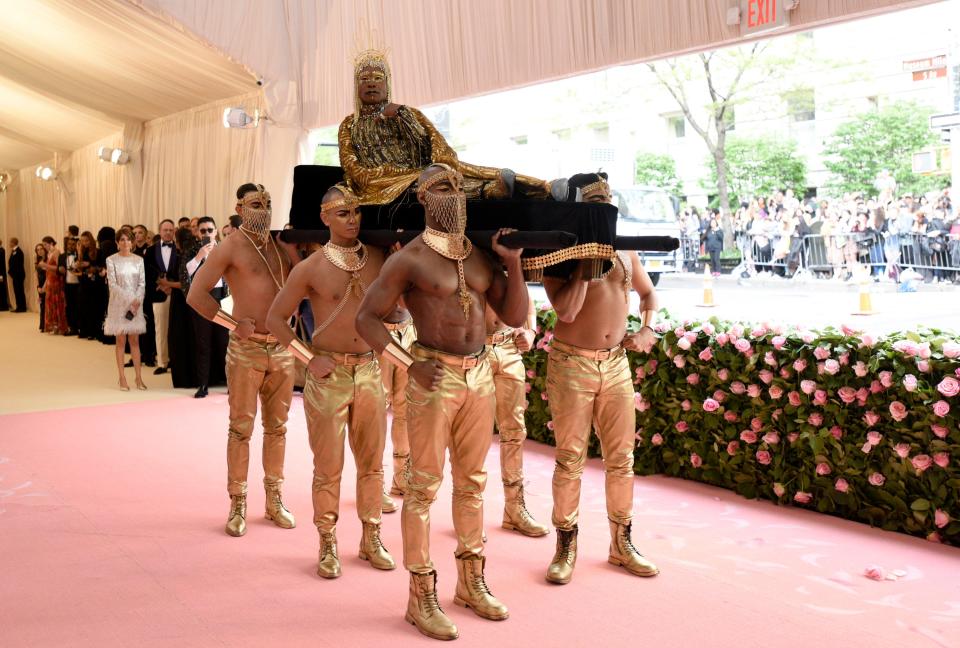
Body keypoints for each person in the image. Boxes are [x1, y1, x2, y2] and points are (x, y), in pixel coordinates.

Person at [356, 163, 529, 641]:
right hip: (432, 376)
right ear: (422, 199)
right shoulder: (407, 259)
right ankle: (420, 595)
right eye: (439, 187)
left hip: (480, 374)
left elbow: (513, 314)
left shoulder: (480, 256)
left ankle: (472, 582)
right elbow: (366, 318)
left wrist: (511, 262)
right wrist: (407, 363)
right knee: (423, 487)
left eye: (456, 186)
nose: (451, 194)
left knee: (473, 482)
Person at [266, 183, 395, 578]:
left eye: (356, 213)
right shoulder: (310, 268)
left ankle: (371, 537)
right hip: (329, 374)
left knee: (373, 464)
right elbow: (275, 320)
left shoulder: (379, 257)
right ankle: (327, 542)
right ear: (324, 218)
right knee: (329, 466)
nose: (352, 219)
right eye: (343, 213)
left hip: (371, 369)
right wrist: (308, 360)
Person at [540, 172, 659, 585]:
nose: (604, 209)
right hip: (572, 363)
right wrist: (586, 269)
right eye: (596, 203)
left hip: (615, 363)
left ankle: (621, 542)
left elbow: (647, 294)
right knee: (571, 458)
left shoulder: (625, 252)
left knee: (622, 458)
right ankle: (565, 544)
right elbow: (567, 313)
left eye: (608, 202)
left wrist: (646, 327)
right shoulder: (559, 253)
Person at [187, 184, 300, 538]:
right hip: (246, 350)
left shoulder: (281, 243)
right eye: (255, 203)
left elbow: (302, 281)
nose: (263, 207)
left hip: (282, 349)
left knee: (278, 427)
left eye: (267, 202)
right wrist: (233, 324)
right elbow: (195, 294)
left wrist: (294, 310)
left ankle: (274, 499)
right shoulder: (230, 246)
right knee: (241, 428)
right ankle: (237, 502)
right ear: (239, 207)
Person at [339, 49, 550, 205]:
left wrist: (404, 117)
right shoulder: (349, 125)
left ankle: (544, 189)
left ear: (387, 84)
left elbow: (429, 146)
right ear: (356, 87)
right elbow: (352, 168)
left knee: (467, 173)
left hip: (421, 171)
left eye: (377, 78)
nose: (371, 83)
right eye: (364, 79)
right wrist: (384, 174)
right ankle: (493, 191)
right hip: (382, 184)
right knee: (436, 185)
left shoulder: (407, 112)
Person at [484, 298, 549, 537]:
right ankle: (468, 513)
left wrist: (530, 330)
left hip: (509, 350)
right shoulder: (465, 258)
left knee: (514, 433)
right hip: (474, 351)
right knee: (472, 436)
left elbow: (525, 297)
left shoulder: (513, 260)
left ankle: (514, 509)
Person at [183, 217, 229, 397]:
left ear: (216, 231)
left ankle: (230, 384)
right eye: (203, 231)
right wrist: (199, 256)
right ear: (197, 232)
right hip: (203, 299)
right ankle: (203, 384)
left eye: (210, 230)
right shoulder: (193, 250)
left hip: (223, 299)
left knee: (224, 344)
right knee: (203, 344)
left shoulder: (225, 248)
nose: (207, 234)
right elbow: (187, 272)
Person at [105, 230, 147, 391]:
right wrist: (130, 300)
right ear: (117, 242)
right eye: (122, 240)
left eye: (128, 239)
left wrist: (137, 301)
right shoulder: (111, 260)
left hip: (136, 305)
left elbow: (142, 283)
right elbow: (113, 285)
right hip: (118, 305)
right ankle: (122, 377)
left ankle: (138, 377)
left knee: (135, 341)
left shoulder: (138, 260)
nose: (125, 243)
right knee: (121, 341)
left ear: (132, 242)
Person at [146, 220, 179, 375]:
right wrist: (161, 285)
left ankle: (176, 360)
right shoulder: (151, 250)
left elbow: (182, 270)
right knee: (160, 329)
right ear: (159, 231)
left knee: (176, 329)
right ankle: (162, 362)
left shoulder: (179, 250)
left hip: (177, 294)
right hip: (158, 293)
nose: (168, 232)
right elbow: (147, 271)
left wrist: (171, 286)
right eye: (165, 230)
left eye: (171, 230)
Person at [39, 236, 68, 334]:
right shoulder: (49, 254)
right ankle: (53, 325)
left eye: (45, 244)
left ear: (51, 243)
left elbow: (58, 268)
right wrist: (44, 286)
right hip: (50, 281)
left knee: (56, 303)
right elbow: (48, 271)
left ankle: (59, 325)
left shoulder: (56, 252)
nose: (44, 247)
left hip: (56, 281)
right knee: (50, 304)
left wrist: (45, 265)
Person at [77, 232, 100, 339]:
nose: (84, 243)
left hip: (94, 283)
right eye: (82, 241)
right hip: (83, 281)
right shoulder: (82, 252)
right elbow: (79, 268)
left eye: (86, 240)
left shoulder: (97, 252)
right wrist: (79, 265)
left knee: (93, 307)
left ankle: (93, 331)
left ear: (91, 240)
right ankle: (84, 330)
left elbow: (100, 266)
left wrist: (89, 265)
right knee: (83, 306)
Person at [60, 236, 81, 334]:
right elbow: (58, 269)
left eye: (73, 244)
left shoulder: (80, 255)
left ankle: (80, 327)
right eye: (69, 244)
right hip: (67, 284)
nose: (71, 246)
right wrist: (59, 270)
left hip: (79, 285)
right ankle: (72, 327)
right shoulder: (62, 256)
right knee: (69, 307)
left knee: (79, 306)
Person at [8, 238, 27, 313]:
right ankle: (19, 306)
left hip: (18, 275)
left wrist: (12, 272)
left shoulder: (18, 251)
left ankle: (22, 307)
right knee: (17, 291)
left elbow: (18, 264)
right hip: (15, 275)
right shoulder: (13, 251)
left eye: (10, 242)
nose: (9, 244)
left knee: (20, 291)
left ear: (13, 243)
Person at [34, 243, 47, 329]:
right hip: (40, 285)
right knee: (42, 304)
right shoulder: (37, 260)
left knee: (47, 305)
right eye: (37, 250)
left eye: (41, 249)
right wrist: (38, 286)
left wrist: (44, 287)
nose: (39, 251)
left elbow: (49, 275)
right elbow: (36, 274)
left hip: (47, 284)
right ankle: (42, 324)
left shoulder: (48, 259)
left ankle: (48, 324)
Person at [0, 240, 7, 312]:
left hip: (1, 274)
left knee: (2, 290)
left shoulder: (2, 251)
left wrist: (1, 275)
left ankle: (4, 306)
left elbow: (2, 264)